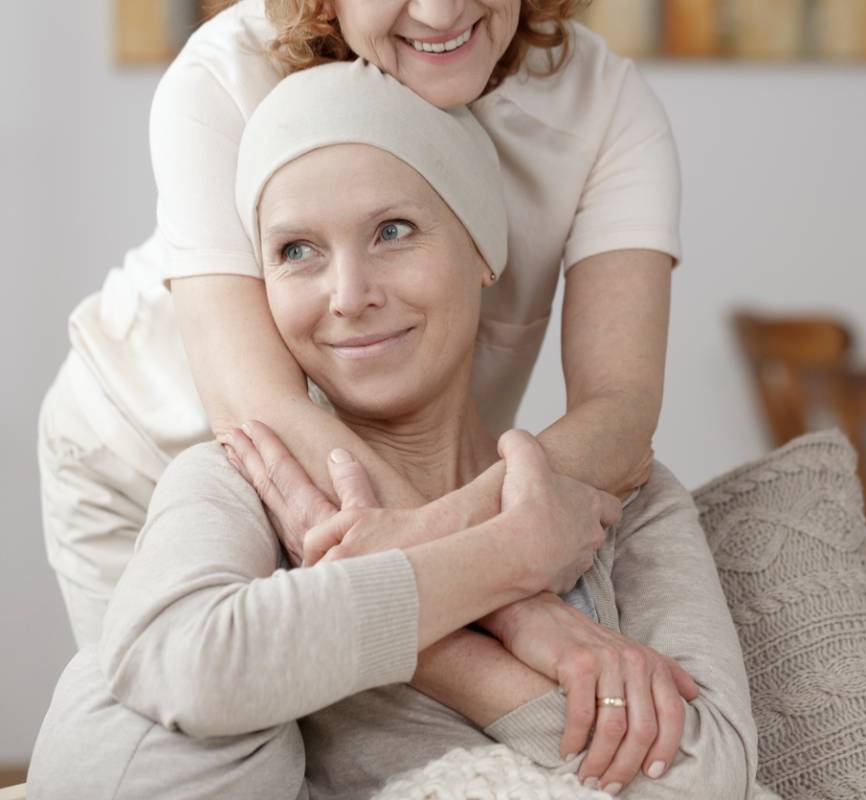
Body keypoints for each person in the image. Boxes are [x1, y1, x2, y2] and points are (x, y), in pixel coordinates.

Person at [29, 60, 759, 800]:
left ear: (483, 252)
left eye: (393, 231)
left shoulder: (621, 498)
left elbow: (707, 777)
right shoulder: (246, 480)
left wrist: (405, 621)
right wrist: (501, 584)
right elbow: (180, 664)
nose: (347, 296)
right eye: (296, 251)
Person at [39, 0, 679, 653]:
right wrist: (506, 579)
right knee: (193, 731)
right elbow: (260, 411)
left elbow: (621, 407)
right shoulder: (224, 76)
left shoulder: (605, 107)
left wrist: (455, 533)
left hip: (383, 499)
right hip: (155, 453)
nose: (440, 12)